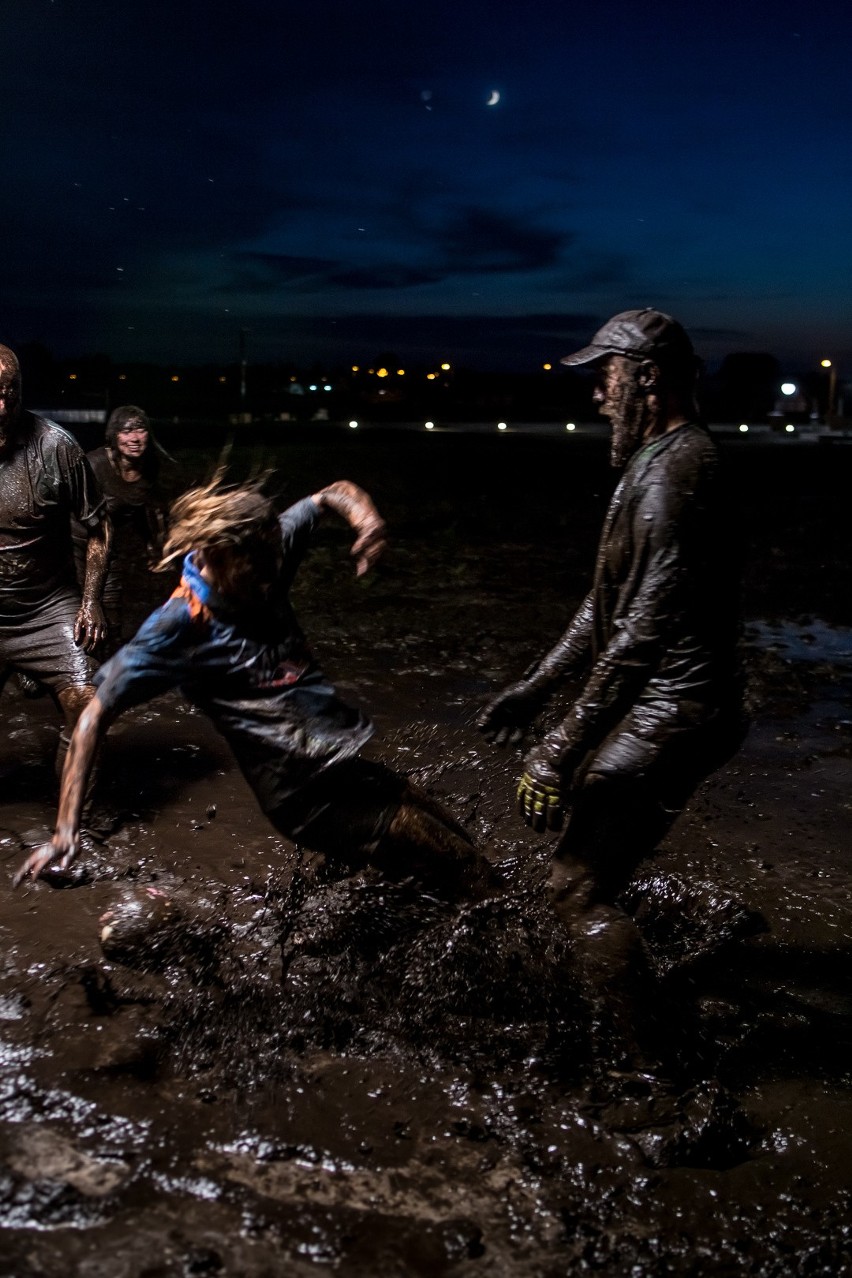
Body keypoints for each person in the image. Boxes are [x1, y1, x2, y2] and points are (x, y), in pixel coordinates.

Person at [477, 309, 747, 1071]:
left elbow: (643, 630)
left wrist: (558, 749)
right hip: (666, 701)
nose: (596, 390)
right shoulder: (655, 460)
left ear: (648, 376)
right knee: (587, 859)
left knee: (576, 890)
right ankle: (625, 993)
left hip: (681, 708)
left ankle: (658, 1072)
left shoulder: (675, 472)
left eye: (607, 373)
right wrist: (538, 686)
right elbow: (603, 605)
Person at [15, 474, 489, 896]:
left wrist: (367, 523)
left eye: (272, 565)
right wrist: (65, 832)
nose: (268, 582)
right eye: (256, 573)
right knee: (469, 872)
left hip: (335, 758)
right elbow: (93, 715)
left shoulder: (264, 547)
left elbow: (331, 494)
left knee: (447, 829)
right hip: (301, 796)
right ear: (218, 557)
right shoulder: (179, 625)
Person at [0, 343, 111, 774]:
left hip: (46, 609)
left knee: (89, 705)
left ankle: (73, 827)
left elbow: (100, 528)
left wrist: (91, 600)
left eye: (12, 391)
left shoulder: (56, 448)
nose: (3, 404)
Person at [73, 404, 169, 651]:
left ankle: (106, 666)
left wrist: (153, 544)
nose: (134, 438)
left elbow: (141, 508)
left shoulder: (150, 469)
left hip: (107, 549)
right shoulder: (94, 465)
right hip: (72, 546)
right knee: (72, 606)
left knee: (110, 612)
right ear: (114, 436)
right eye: (126, 432)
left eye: (140, 430)